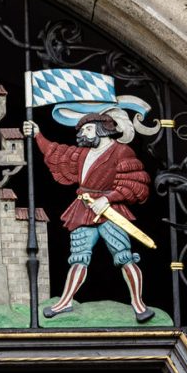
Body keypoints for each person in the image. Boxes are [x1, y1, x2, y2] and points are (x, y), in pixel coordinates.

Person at [33, 109, 154, 322]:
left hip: (110, 212)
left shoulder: (121, 152)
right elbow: (58, 153)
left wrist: (108, 199)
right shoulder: (82, 154)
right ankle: (65, 301)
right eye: (82, 130)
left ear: (102, 129)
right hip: (83, 210)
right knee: (78, 258)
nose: (83, 134)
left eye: (88, 129)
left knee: (124, 256)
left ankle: (138, 303)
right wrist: (37, 135)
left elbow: (135, 181)